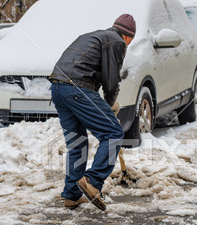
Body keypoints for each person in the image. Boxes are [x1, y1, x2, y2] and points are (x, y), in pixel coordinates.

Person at [50, 14, 136, 211]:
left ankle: (72, 195)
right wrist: (111, 103)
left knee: (77, 143)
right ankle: (93, 181)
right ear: (128, 37)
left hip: (58, 88)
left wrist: (104, 105)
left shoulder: (95, 36)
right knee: (113, 133)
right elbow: (111, 79)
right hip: (77, 89)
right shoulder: (117, 42)